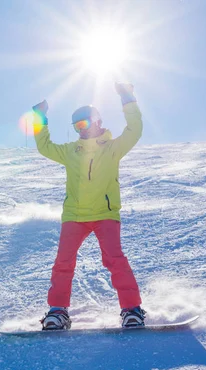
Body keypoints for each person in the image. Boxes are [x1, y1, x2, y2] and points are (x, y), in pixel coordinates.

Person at [31, 82, 146, 330]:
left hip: (105, 214)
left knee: (115, 259)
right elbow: (44, 147)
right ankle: (57, 311)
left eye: (85, 123)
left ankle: (132, 309)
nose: (81, 130)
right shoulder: (70, 151)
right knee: (63, 262)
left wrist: (127, 98)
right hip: (74, 215)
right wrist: (39, 118)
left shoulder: (112, 148)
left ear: (97, 121)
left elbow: (134, 130)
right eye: (77, 126)